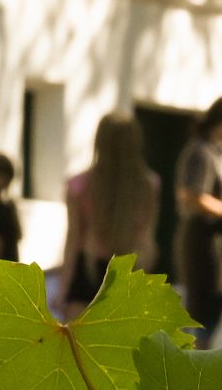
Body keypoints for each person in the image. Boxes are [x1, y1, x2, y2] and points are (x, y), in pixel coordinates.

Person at [63, 111, 161, 307]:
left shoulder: (79, 185)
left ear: (99, 141)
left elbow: (74, 237)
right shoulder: (149, 185)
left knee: (80, 336)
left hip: (87, 269)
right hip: (131, 268)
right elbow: (147, 237)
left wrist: (64, 286)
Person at [173, 97, 222, 336]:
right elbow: (192, 196)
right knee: (200, 317)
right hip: (203, 245)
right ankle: (195, 369)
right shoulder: (201, 152)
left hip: (218, 248)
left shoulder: (216, 153)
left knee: (214, 311)